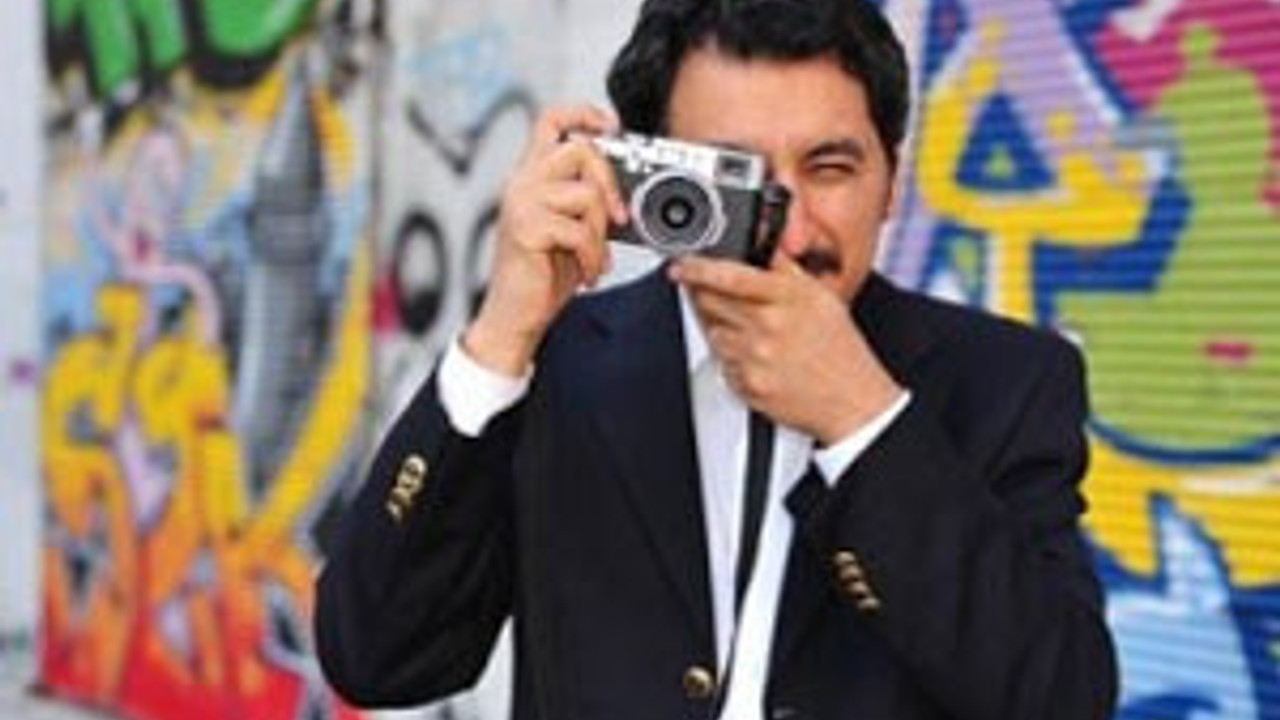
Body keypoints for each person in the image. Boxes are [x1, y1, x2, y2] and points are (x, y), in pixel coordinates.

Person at [313, 0, 1119, 718]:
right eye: (736, 181)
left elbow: (1061, 696)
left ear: (891, 183)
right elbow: (377, 656)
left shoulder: (1008, 382)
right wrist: (498, 340)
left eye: (830, 169)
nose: (790, 233)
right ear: (649, 183)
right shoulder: (558, 364)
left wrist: (863, 421)